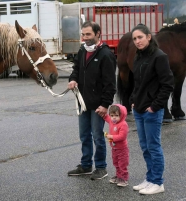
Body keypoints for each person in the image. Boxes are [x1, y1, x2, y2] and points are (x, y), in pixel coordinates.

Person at [67, 21, 116, 180]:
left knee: (97, 136)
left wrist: (105, 105)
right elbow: (76, 69)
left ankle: (101, 167)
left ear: (98, 34)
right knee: (84, 136)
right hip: (83, 103)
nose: (85, 37)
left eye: (88, 34)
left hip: (98, 105)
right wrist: (73, 79)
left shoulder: (106, 54)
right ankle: (86, 165)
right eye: (83, 34)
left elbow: (110, 84)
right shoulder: (82, 50)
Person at [130, 24, 174, 194]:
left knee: (154, 146)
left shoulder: (159, 56)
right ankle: (149, 178)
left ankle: (157, 182)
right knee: (145, 146)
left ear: (149, 37)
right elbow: (137, 82)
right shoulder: (138, 56)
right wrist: (133, 100)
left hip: (152, 111)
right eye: (134, 39)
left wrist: (154, 106)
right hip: (139, 109)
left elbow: (168, 84)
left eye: (140, 37)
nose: (137, 41)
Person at [103, 104, 129, 187]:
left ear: (122, 115)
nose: (113, 118)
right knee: (116, 163)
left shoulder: (123, 124)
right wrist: (102, 114)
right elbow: (106, 118)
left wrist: (112, 137)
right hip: (114, 148)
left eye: (116, 115)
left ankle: (124, 178)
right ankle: (118, 176)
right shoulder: (111, 121)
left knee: (122, 163)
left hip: (122, 149)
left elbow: (122, 136)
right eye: (112, 115)